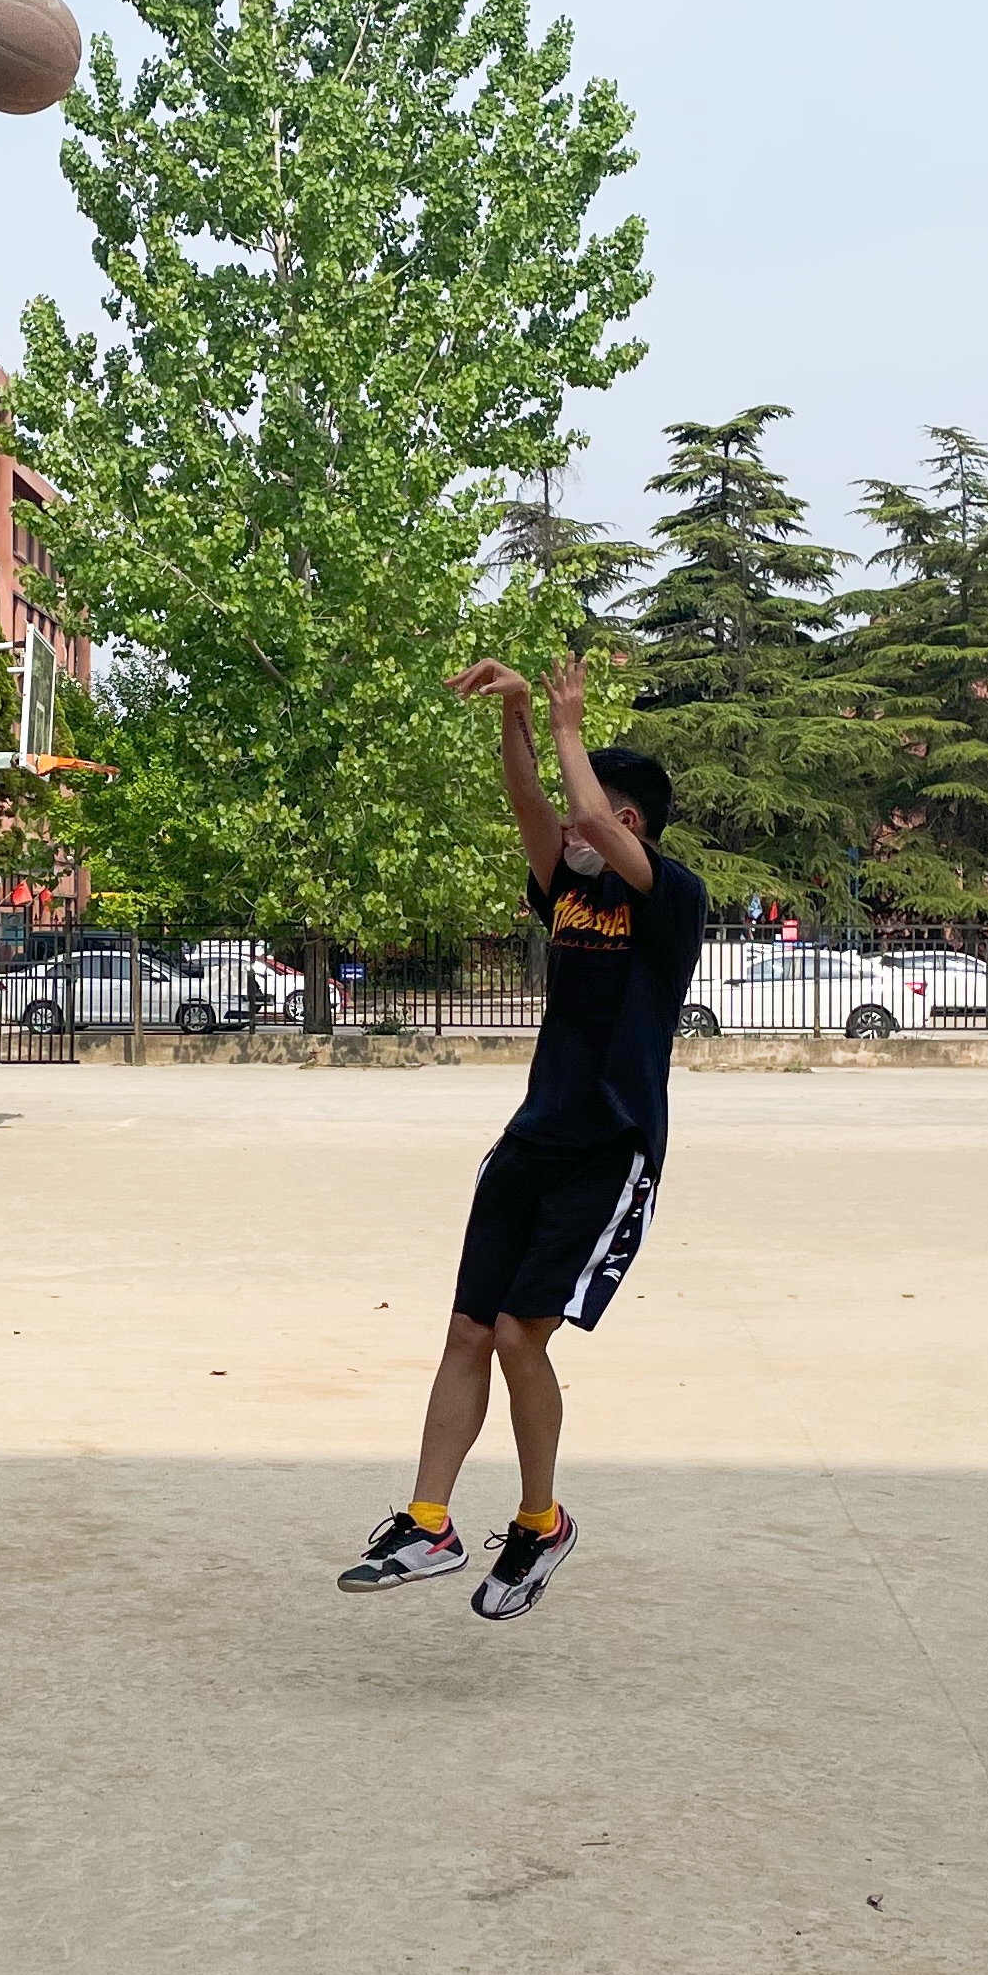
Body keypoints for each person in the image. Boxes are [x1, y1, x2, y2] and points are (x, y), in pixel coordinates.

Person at [336, 653, 706, 1620]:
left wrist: (570, 727)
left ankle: (542, 1524)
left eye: (596, 821)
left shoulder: (672, 898)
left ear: (630, 825)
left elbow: (584, 817)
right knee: (467, 1329)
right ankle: (429, 1522)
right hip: (532, 1139)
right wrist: (517, 718)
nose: (571, 834)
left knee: (517, 1335)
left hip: (610, 1149)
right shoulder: (569, 892)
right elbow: (534, 808)